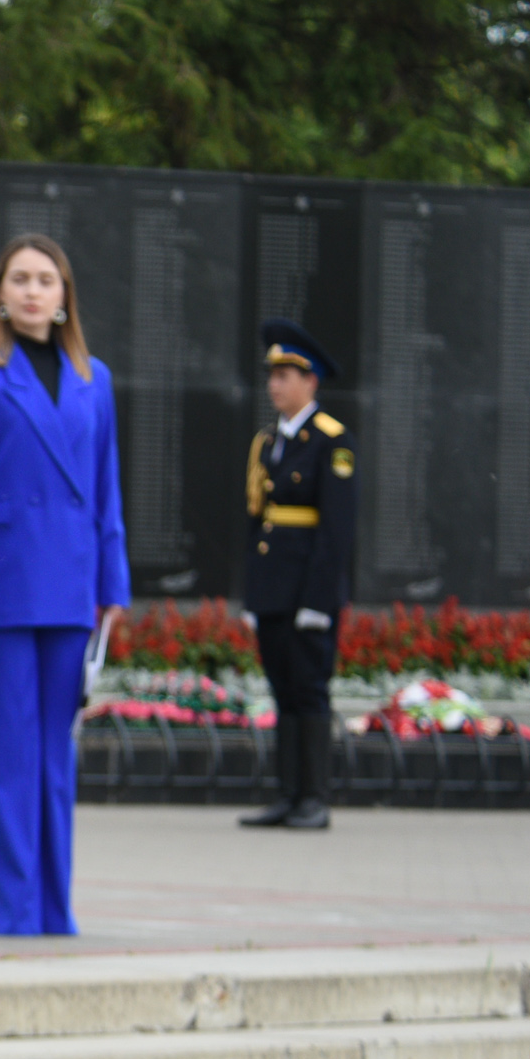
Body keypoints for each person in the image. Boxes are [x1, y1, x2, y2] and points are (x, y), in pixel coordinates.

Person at [0, 234, 127, 938]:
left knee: (53, 760)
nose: (35, 290)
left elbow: (105, 489)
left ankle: (51, 908)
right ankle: (7, 908)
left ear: (65, 293)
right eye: (21, 278)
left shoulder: (92, 377)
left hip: (70, 588)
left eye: (47, 279)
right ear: (0, 295)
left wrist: (113, 585)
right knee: (3, 758)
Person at [237, 320, 354, 831]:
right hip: (272, 591)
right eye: (272, 375)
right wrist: (252, 594)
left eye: (286, 375)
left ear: (311, 382)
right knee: (282, 691)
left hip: (308, 590)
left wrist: (318, 601)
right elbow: (257, 520)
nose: (275, 385)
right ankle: (287, 795)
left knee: (310, 691)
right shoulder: (268, 442)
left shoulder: (331, 441)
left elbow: (336, 530)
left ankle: (316, 798)